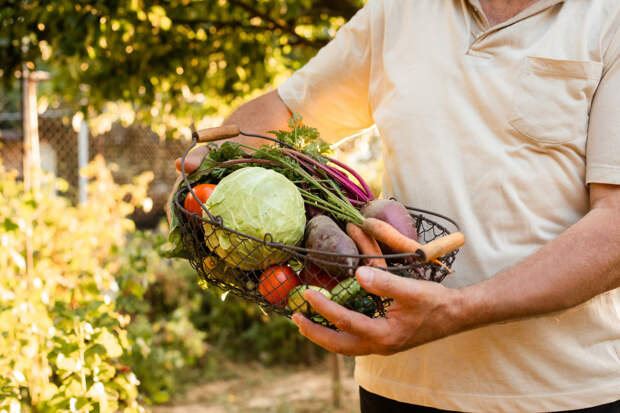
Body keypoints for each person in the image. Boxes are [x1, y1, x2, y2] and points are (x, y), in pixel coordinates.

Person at [174, 0, 620, 411]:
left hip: (563, 392)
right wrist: (213, 163)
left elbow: (615, 226)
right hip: (398, 384)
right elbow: (288, 111)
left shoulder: (608, 16)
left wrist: (457, 309)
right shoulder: (400, 10)